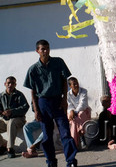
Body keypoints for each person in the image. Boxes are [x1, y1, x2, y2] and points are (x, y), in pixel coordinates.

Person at [24, 39, 78, 167]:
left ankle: (71, 161)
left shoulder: (58, 62)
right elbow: (33, 92)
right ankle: (51, 162)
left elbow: (65, 81)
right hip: (43, 103)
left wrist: (64, 100)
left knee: (65, 132)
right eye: (42, 49)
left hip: (58, 101)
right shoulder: (33, 69)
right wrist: (36, 110)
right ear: (37, 51)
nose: (45, 51)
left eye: (47, 48)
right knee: (47, 136)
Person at [0, 76, 29, 159]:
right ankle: (2, 146)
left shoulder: (19, 95)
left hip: (19, 120)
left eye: (12, 83)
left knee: (12, 122)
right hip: (5, 120)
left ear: (15, 85)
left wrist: (12, 112)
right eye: (8, 83)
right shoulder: (0, 96)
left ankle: (10, 149)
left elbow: (25, 107)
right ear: (5, 84)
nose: (10, 85)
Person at [67, 77, 91, 149]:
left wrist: (75, 112)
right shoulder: (68, 94)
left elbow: (83, 104)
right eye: (73, 84)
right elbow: (69, 105)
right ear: (70, 86)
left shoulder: (84, 91)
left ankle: (75, 142)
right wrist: (71, 111)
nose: (76, 85)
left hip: (84, 112)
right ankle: (80, 139)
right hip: (73, 114)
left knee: (80, 115)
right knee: (74, 121)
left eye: (76, 83)